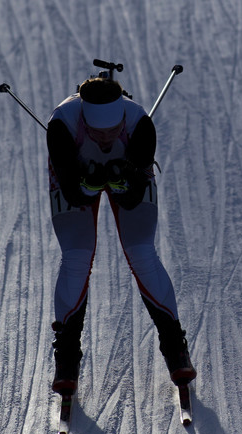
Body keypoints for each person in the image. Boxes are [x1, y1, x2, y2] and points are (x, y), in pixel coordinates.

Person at [45, 77, 196, 397]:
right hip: (74, 177)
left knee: (142, 252)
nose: (104, 139)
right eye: (97, 133)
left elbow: (131, 198)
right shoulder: (61, 126)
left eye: (112, 132)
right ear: (84, 119)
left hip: (121, 177)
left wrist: (121, 179)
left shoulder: (140, 125)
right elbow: (74, 193)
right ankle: (66, 358)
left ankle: (175, 347)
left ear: (122, 121)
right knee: (76, 255)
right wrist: (92, 181)